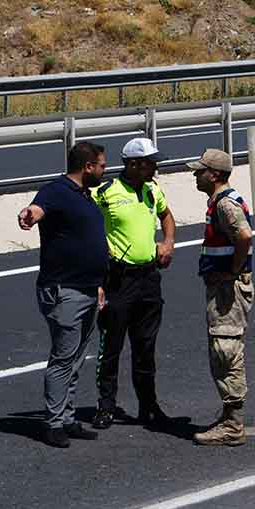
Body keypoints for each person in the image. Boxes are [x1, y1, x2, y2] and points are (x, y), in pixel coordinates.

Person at [17, 140, 109, 448]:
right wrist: (28, 214)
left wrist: (96, 284)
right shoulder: (56, 190)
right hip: (64, 290)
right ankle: (54, 422)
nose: (104, 170)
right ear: (87, 167)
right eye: (101, 165)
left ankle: (67, 417)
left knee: (77, 358)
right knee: (63, 358)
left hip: (86, 289)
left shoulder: (84, 195)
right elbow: (37, 209)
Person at [90, 137, 176, 430]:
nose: (155, 167)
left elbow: (166, 215)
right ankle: (106, 406)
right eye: (151, 162)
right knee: (111, 346)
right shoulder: (106, 193)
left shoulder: (153, 189)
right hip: (118, 279)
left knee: (146, 346)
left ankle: (148, 406)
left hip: (149, 278)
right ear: (133, 164)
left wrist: (168, 241)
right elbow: (86, 226)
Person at [188, 147, 255, 447]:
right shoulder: (218, 201)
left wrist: (232, 270)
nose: (194, 175)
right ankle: (230, 418)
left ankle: (233, 424)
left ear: (214, 174)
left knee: (226, 350)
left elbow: (244, 236)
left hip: (228, 290)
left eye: (199, 171)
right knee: (222, 348)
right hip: (222, 287)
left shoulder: (226, 205)